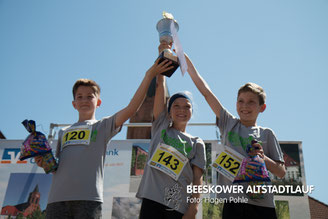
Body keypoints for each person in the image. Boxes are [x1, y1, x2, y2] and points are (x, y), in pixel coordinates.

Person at [35, 59, 173, 219]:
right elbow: (56, 168)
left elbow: (131, 109)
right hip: (56, 201)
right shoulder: (63, 132)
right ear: (74, 103)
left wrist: (149, 75)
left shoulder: (103, 126)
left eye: (89, 96)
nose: (84, 100)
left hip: (88, 199)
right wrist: (44, 162)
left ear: (98, 102)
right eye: (79, 97)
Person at [185, 53, 286, 219]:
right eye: (241, 101)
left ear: (262, 107)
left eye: (251, 102)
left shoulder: (267, 134)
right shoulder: (228, 122)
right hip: (232, 202)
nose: (245, 106)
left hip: (262, 205)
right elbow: (206, 92)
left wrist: (263, 158)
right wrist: (185, 60)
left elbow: (281, 172)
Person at [136, 43, 206, 219]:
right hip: (151, 199)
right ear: (168, 111)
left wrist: (193, 208)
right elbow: (160, 85)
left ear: (192, 111)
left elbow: (198, 179)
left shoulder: (197, 142)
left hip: (177, 202)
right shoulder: (160, 127)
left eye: (186, 107)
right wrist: (163, 53)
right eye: (176, 106)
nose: (181, 110)